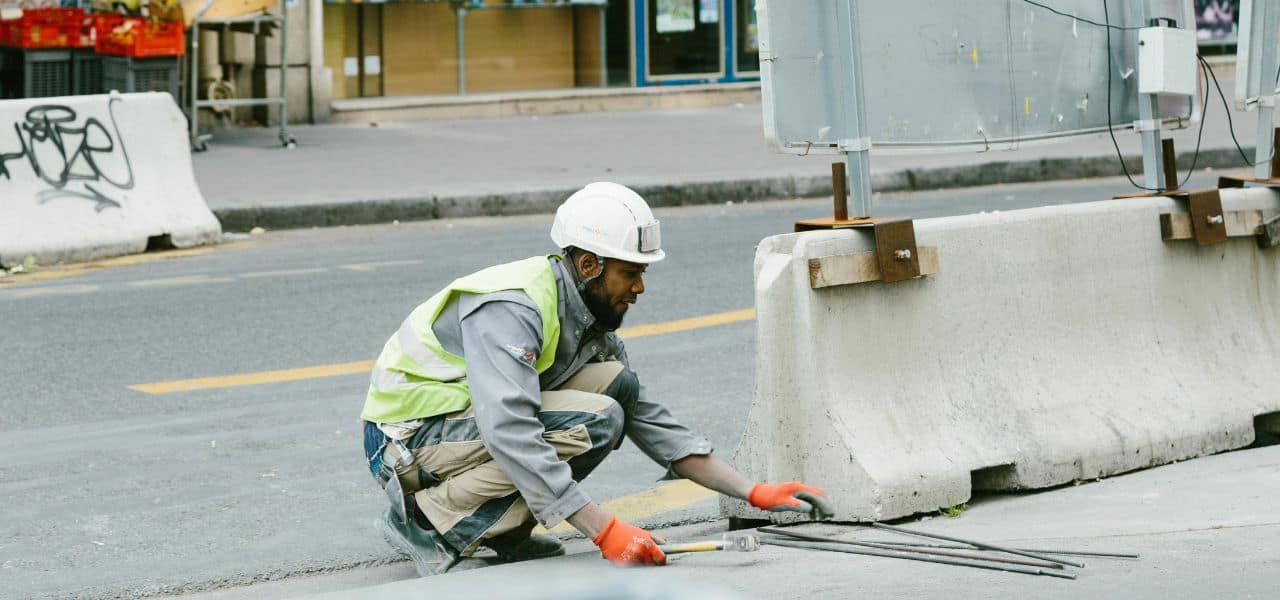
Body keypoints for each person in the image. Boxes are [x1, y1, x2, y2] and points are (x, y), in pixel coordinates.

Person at [360, 182, 832, 576]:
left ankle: (501, 532)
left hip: (454, 431)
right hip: (405, 442)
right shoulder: (513, 307)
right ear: (589, 266)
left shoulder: (588, 318)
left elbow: (651, 421)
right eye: (630, 273)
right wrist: (603, 530)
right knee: (597, 419)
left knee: (617, 388)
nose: (640, 288)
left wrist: (753, 491)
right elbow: (510, 429)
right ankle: (427, 524)